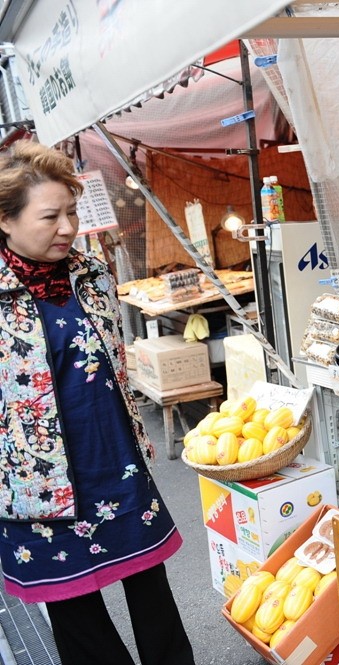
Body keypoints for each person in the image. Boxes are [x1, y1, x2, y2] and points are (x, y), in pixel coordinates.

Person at [0, 140, 195, 665]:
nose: (67, 228)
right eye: (50, 216)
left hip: (115, 463)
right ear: (5, 221)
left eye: (71, 213)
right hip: (37, 482)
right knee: (74, 612)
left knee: (152, 593)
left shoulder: (91, 274)